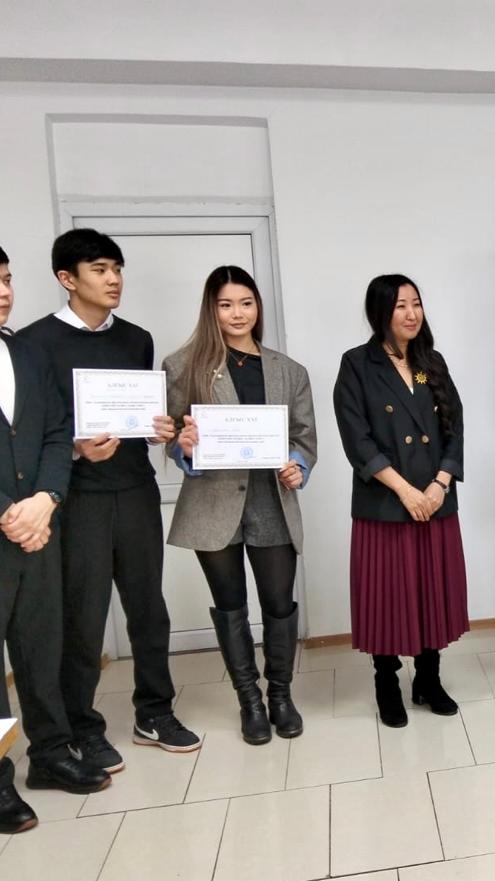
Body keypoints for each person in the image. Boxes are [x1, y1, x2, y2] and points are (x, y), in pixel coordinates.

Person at [17, 228, 199, 771]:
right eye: (99, 269)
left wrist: (160, 429)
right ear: (67, 279)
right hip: (77, 498)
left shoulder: (136, 339)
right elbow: (31, 430)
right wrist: (76, 450)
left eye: (117, 268)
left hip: (136, 488)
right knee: (83, 617)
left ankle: (155, 712)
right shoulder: (33, 344)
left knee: (149, 610)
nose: (113, 279)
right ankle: (81, 727)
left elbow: (140, 413)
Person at [0, 238, 111, 834]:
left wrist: (46, 499)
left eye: (6, 279)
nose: (4, 292)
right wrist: (8, 512)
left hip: (39, 527)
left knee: (41, 648)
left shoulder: (27, 354)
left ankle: (51, 754)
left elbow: (58, 433)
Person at [164, 266, 317, 744]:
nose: (237, 313)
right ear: (211, 309)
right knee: (230, 604)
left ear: (258, 307)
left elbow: (304, 438)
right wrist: (184, 448)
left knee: (278, 603)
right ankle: (249, 701)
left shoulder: (288, 370)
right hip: (213, 502)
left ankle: (280, 696)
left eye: (246, 303)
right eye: (226, 304)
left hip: (271, 499)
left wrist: (298, 466)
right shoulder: (183, 365)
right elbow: (172, 436)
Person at [334, 275, 467, 725]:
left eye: (416, 303)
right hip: (386, 503)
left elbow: (455, 427)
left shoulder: (431, 362)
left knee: (432, 592)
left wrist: (440, 484)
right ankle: (386, 682)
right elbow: (357, 439)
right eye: (400, 306)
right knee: (388, 596)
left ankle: (428, 679)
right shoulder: (357, 364)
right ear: (380, 313)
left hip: (434, 499)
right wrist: (406, 490)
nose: (412, 314)